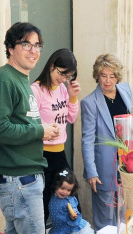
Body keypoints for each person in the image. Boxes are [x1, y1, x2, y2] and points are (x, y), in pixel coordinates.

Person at [0, 22, 59, 234]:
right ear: (10, 48)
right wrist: (38, 130)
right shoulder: (3, 79)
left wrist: (43, 130)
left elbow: (19, 122)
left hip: (26, 177)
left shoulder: (21, 78)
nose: (34, 51)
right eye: (26, 44)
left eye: (37, 45)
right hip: (18, 179)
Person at [80, 54, 133, 231]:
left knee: (126, 218)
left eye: (112, 76)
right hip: (104, 170)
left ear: (118, 77)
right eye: (103, 75)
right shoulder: (90, 103)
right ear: (97, 75)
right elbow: (87, 140)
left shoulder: (125, 91)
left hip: (128, 165)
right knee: (106, 224)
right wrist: (91, 173)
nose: (108, 81)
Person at [31, 49, 81, 223]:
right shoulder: (36, 90)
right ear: (51, 66)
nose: (64, 79)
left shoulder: (62, 89)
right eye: (62, 73)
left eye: (68, 76)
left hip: (60, 154)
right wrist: (45, 130)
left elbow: (71, 118)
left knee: (73, 203)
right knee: (42, 205)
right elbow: (30, 124)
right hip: (41, 155)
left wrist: (73, 98)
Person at [47, 169, 96, 234]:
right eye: (62, 188)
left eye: (68, 190)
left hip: (72, 232)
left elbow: (76, 214)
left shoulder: (69, 200)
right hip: (59, 231)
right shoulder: (53, 196)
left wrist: (72, 217)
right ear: (56, 185)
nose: (65, 192)